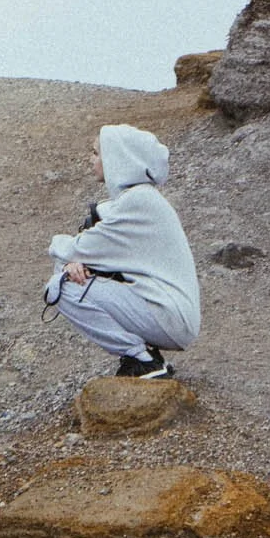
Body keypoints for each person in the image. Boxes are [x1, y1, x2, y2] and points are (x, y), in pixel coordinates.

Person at [44, 125, 201, 380]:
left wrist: (62, 250)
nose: (90, 159)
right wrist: (74, 262)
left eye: (96, 153)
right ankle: (145, 355)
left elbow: (73, 248)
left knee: (61, 287)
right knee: (68, 273)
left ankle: (143, 360)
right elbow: (92, 253)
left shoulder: (137, 203)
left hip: (170, 318)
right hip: (170, 315)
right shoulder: (139, 199)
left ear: (116, 157)